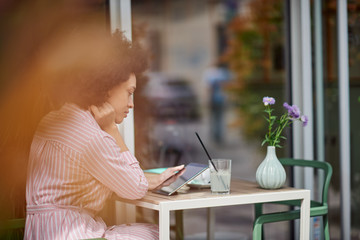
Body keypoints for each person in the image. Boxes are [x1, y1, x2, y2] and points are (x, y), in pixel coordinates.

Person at [24, 26, 184, 240]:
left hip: (41, 232)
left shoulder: (55, 119)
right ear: (107, 87)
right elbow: (135, 189)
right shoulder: (91, 135)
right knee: (158, 234)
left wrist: (151, 180)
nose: (131, 104)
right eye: (129, 93)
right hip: (72, 234)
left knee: (149, 232)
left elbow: (105, 175)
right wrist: (111, 129)